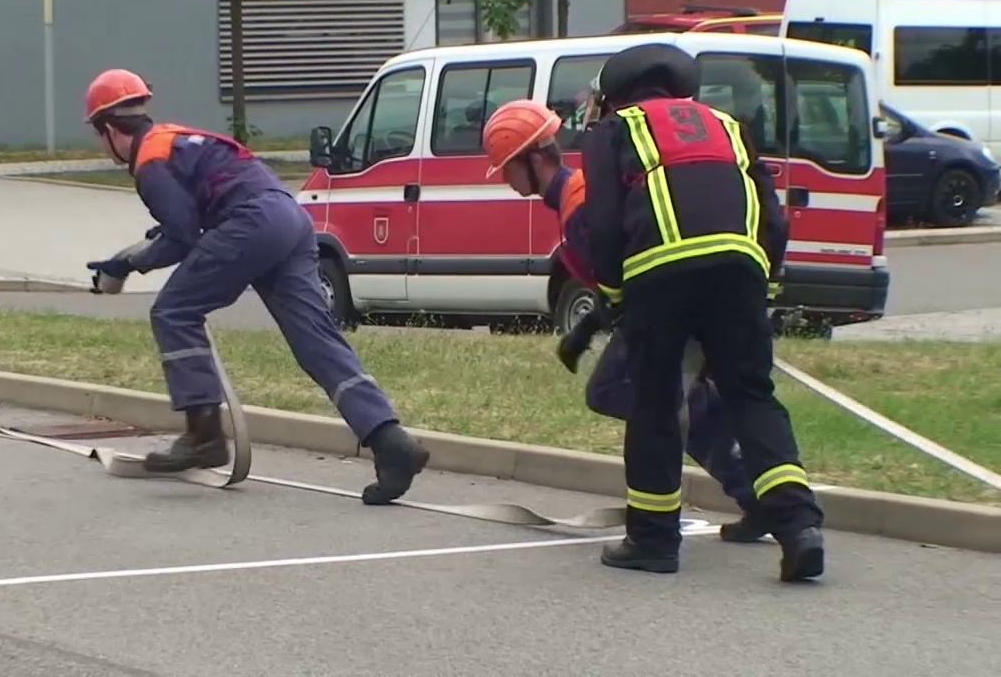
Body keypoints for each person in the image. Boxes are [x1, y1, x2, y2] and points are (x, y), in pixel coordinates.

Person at [80, 68, 429, 505]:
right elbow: (185, 218)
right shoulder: (174, 138)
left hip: (251, 223)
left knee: (173, 311)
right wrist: (135, 253)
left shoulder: (150, 164)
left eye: (99, 136)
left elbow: (183, 235)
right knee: (316, 342)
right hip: (290, 218)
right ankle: (390, 441)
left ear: (109, 129)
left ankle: (203, 434)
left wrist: (129, 264)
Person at [578, 43, 825, 581]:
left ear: (614, 95)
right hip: (741, 267)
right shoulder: (728, 125)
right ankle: (799, 525)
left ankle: (653, 540)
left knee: (657, 404)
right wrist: (765, 279)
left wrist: (614, 294)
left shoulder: (615, 130)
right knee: (752, 395)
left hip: (657, 272)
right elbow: (773, 219)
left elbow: (602, 222)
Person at [480, 99, 767, 546]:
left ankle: (733, 487)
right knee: (666, 398)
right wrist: (590, 325)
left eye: (506, 167)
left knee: (627, 393)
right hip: (675, 301)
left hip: (665, 308)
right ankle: (750, 489)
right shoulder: (579, 195)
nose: (504, 178)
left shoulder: (577, 207)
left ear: (533, 158)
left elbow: (622, 275)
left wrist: (592, 326)